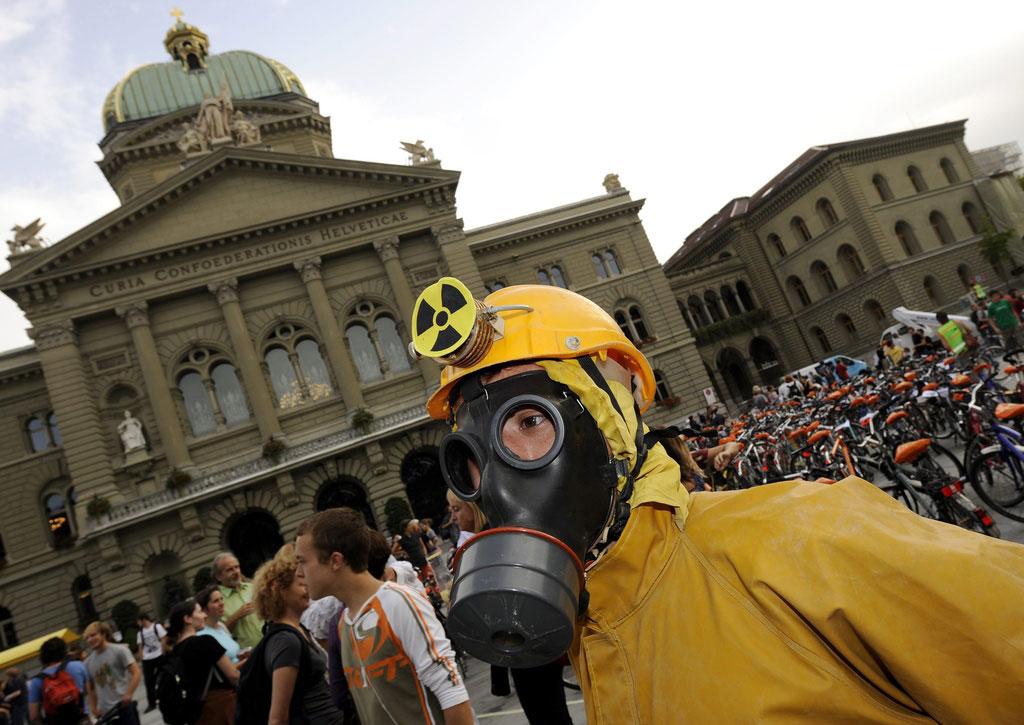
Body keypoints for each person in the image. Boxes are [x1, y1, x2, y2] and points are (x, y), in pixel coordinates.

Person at [409, 277, 1024, 722]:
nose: (498, 481)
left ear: (612, 420)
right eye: (474, 452)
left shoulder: (808, 536)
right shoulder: (593, 627)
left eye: (527, 421)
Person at [295, 508, 474, 724]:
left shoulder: (398, 602)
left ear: (335, 560)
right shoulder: (344, 624)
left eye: (303, 561)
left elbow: (453, 695)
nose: (298, 572)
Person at [252, 543, 341, 725]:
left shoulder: (298, 630)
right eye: (301, 584)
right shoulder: (286, 641)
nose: (307, 589)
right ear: (280, 591)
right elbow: (277, 718)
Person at [167, 598, 239, 724]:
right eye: (200, 612)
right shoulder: (205, 641)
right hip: (221, 709)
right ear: (187, 619)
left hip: (197, 715)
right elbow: (233, 675)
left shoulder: (174, 652)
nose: (205, 615)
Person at [83, 621, 141, 725]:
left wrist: (128, 694)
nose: (90, 640)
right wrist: (93, 707)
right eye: (87, 638)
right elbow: (90, 688)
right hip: (106, 713)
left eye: (93, 635)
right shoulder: (87, 663)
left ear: (103, 634)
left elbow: (136, 672)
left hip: (124, 707)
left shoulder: (119, 650)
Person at [27, 637, 88, 725]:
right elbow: (88, 690)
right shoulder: (78, 666)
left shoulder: (37, 681)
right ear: (64, 651)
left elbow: (34, 716)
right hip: (82, 719)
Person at [212, 552, 264, 650]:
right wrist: (237, 616)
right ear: (218, 576)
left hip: (271, 642)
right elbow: (219, 633)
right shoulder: (216, 600)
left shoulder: (252, 587)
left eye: (237, 567)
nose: (236, 572)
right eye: (229, 570)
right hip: (249, 654)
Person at [195, 587, 243, 664]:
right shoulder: (201, 635)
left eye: (221, 599)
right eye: (215, 601)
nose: (222, 603)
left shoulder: (221, 625)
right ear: (204, 609)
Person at [134, 613, 165, 713]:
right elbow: (140, 646)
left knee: (164, 676)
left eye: (139, 621)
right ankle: (152, 703)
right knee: (148, 682)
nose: (138, 623)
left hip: (159, 655)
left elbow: (163, 638)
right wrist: (141, 657)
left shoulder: (157, 626)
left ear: (143, 619)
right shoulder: (140, 632)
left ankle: (166, 695)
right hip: (148, 658)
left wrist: (163, 651)